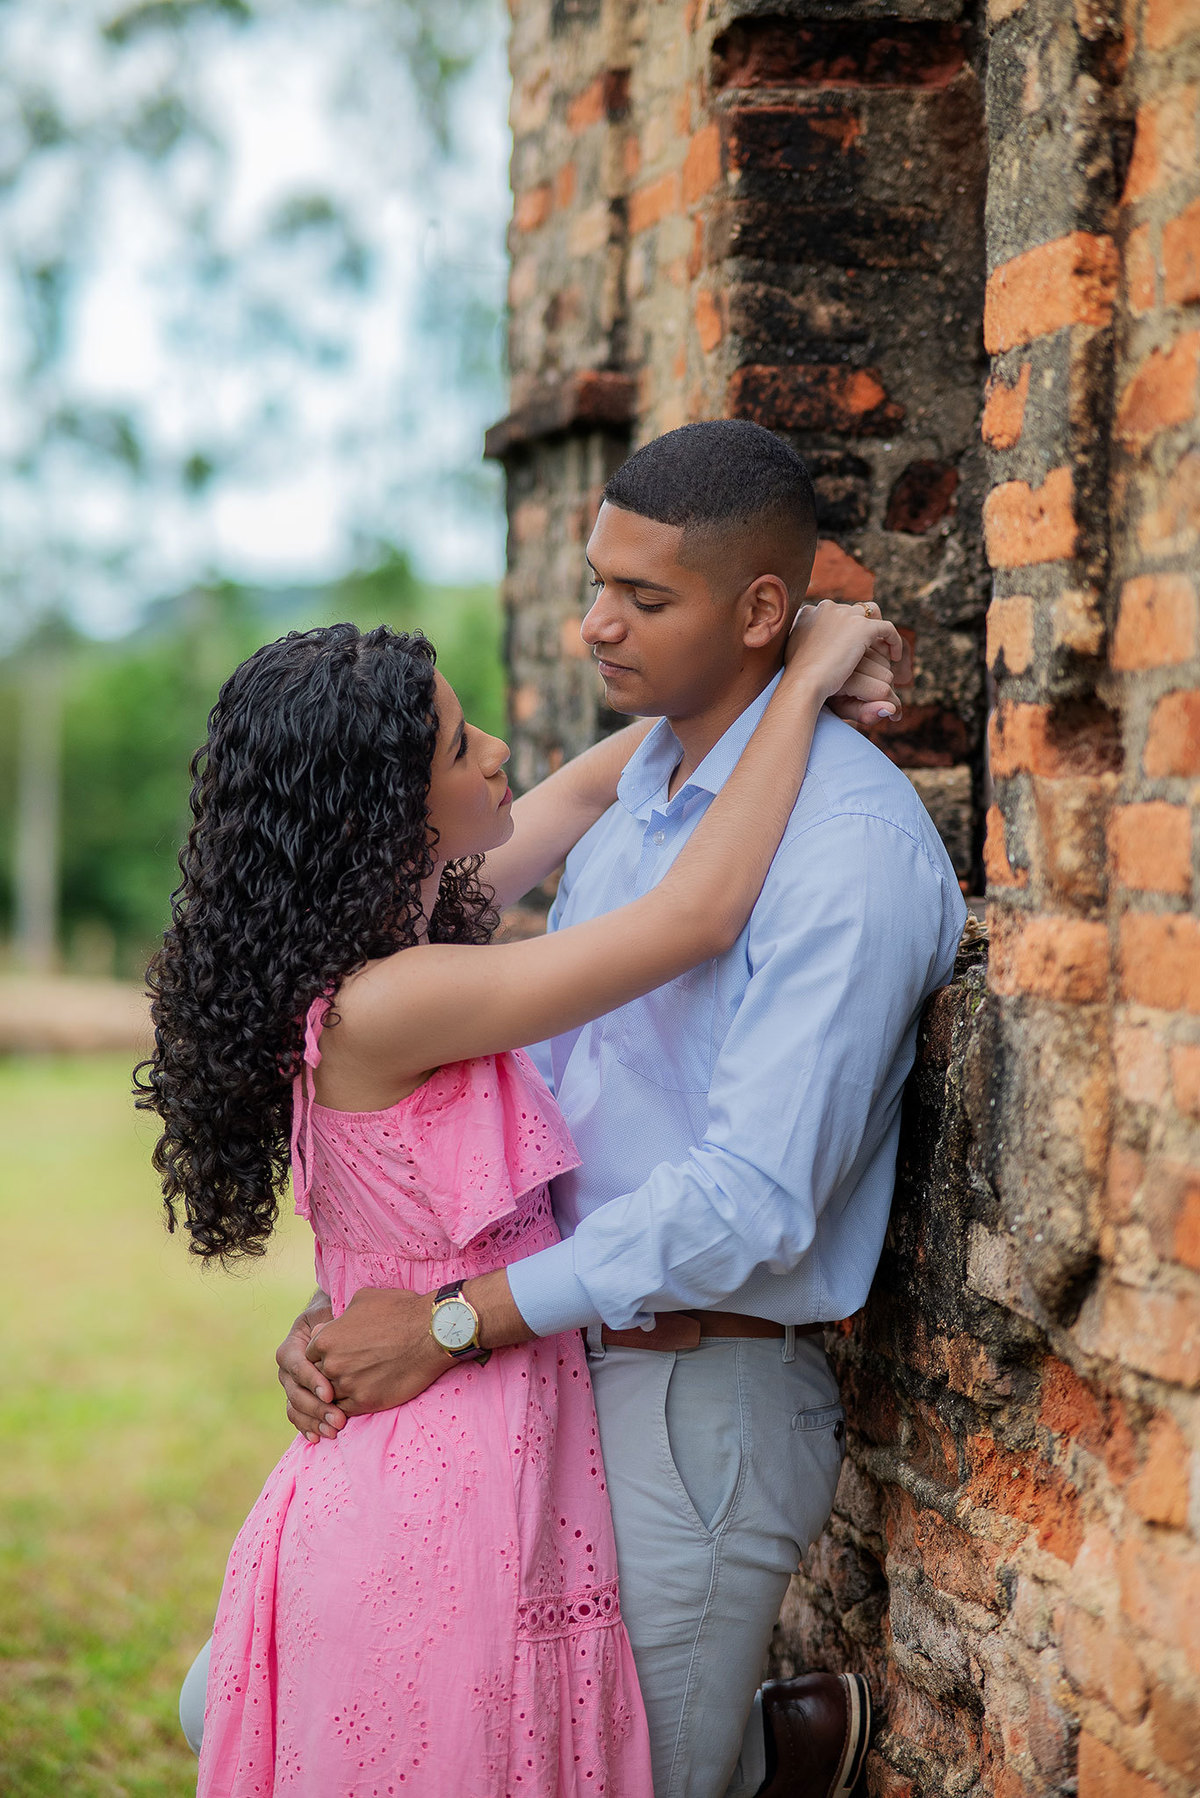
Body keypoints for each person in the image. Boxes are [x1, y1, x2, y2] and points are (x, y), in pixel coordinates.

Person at [264, 422, 968, 1798]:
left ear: (758, 609)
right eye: (598, 581)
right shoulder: (639, 790)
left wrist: (449, 1318)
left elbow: (749, 1197)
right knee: (378, 1727)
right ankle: (773, 1753)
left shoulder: (847, 850)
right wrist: (381, 1307)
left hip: (687, 1394)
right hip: (532, 1369)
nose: (592, 626)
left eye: (645, 599)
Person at [146, 587, 901, 1795]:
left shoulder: (388, 940)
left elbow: (606, 779)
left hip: (463, 1399)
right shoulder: (398, 996)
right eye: (461, 743)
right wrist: (805, 686)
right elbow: (696, 917)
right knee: (443, 1738)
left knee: (482, 1732)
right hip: (445, 1433)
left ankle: (754, 1750)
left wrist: (760, 669)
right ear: (384, 813)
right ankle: (765, 1758)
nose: (499, 750)